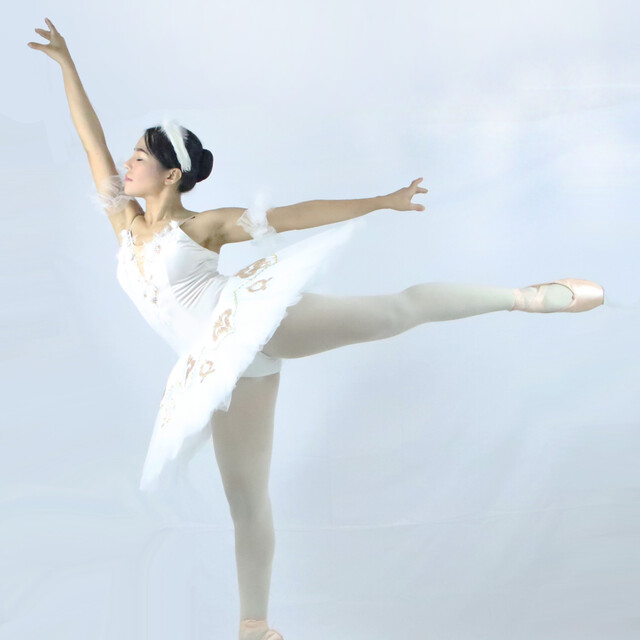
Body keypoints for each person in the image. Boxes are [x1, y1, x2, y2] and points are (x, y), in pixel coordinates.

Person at [28, 18, 605, 640]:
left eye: (139, 157)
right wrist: (68, 66)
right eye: (131, 155)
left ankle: (528, 297)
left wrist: (380, 201)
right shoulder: (124, 224)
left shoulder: (201, 226)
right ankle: (255, 627)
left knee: (393, 313)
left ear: (171, 175)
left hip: (251, 325)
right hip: (215, 370)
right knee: (246, 501)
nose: (125, 163)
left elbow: (291, 216)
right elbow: (89, 142)